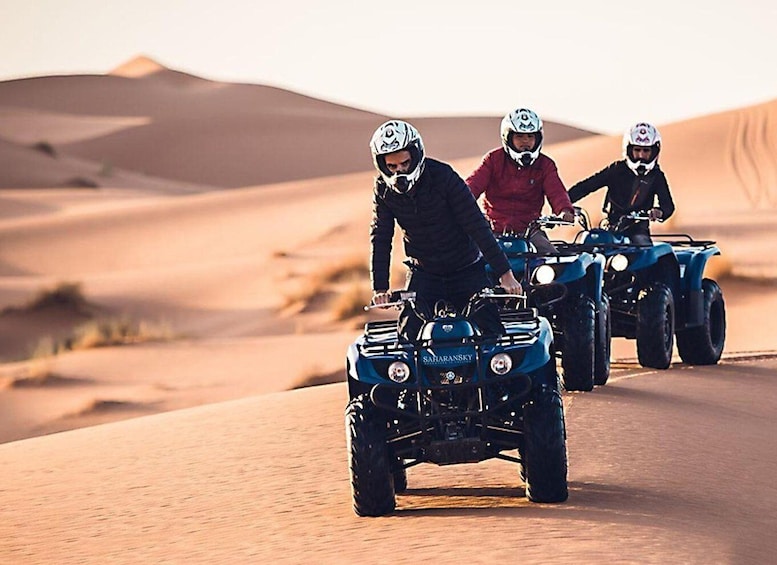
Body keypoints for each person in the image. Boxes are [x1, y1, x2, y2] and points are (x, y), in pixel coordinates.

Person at [369, 119, 522, 341]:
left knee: (493, 337)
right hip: (424, 273)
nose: (400, 171)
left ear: (416, 154)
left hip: (466, 269)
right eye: (392, 167)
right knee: (406, 341)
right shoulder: (383, 190)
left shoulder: (443, 176)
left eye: (405, 163)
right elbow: (381, 237)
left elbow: (476, 225)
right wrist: (380, 288)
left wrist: (505, 275)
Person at [466, 107, 576, 253]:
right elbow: (472, 186)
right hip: (493, 230)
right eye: (519, 136)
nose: (526, 141)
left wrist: (564, 210)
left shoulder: (545, 165)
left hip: (529, 231)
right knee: (467, 261)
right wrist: (459, 203)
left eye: (530, 136)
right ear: (508, 138)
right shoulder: (493, 160)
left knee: (554, 261)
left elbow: (556, 192)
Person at [567, 122, 675, 245]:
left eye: (646, 151)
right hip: (610, 228)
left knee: (646, 252)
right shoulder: (617, 169)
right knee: (587, 246)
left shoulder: (656, 176)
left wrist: (659, 212)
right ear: (628, 149)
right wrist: (565, 203)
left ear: (654, 151)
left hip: (638, 231)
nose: (641, 155)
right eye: (637, 150)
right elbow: (587, 186)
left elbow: (668, 205)